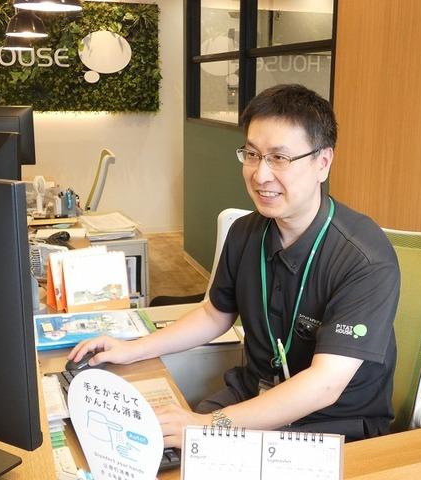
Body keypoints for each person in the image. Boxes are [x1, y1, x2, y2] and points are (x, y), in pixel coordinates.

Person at [69, 84, 400, 448]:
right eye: (252, 155)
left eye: (279, 158)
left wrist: (208, 425)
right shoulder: (245, 232)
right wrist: (134, 348)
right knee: (146, 446)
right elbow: (214, 314)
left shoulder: (364, 258)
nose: (260, 175)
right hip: (253, 396)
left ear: (322, 163)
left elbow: (325, 384)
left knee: (189, 452)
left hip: (330, 425)